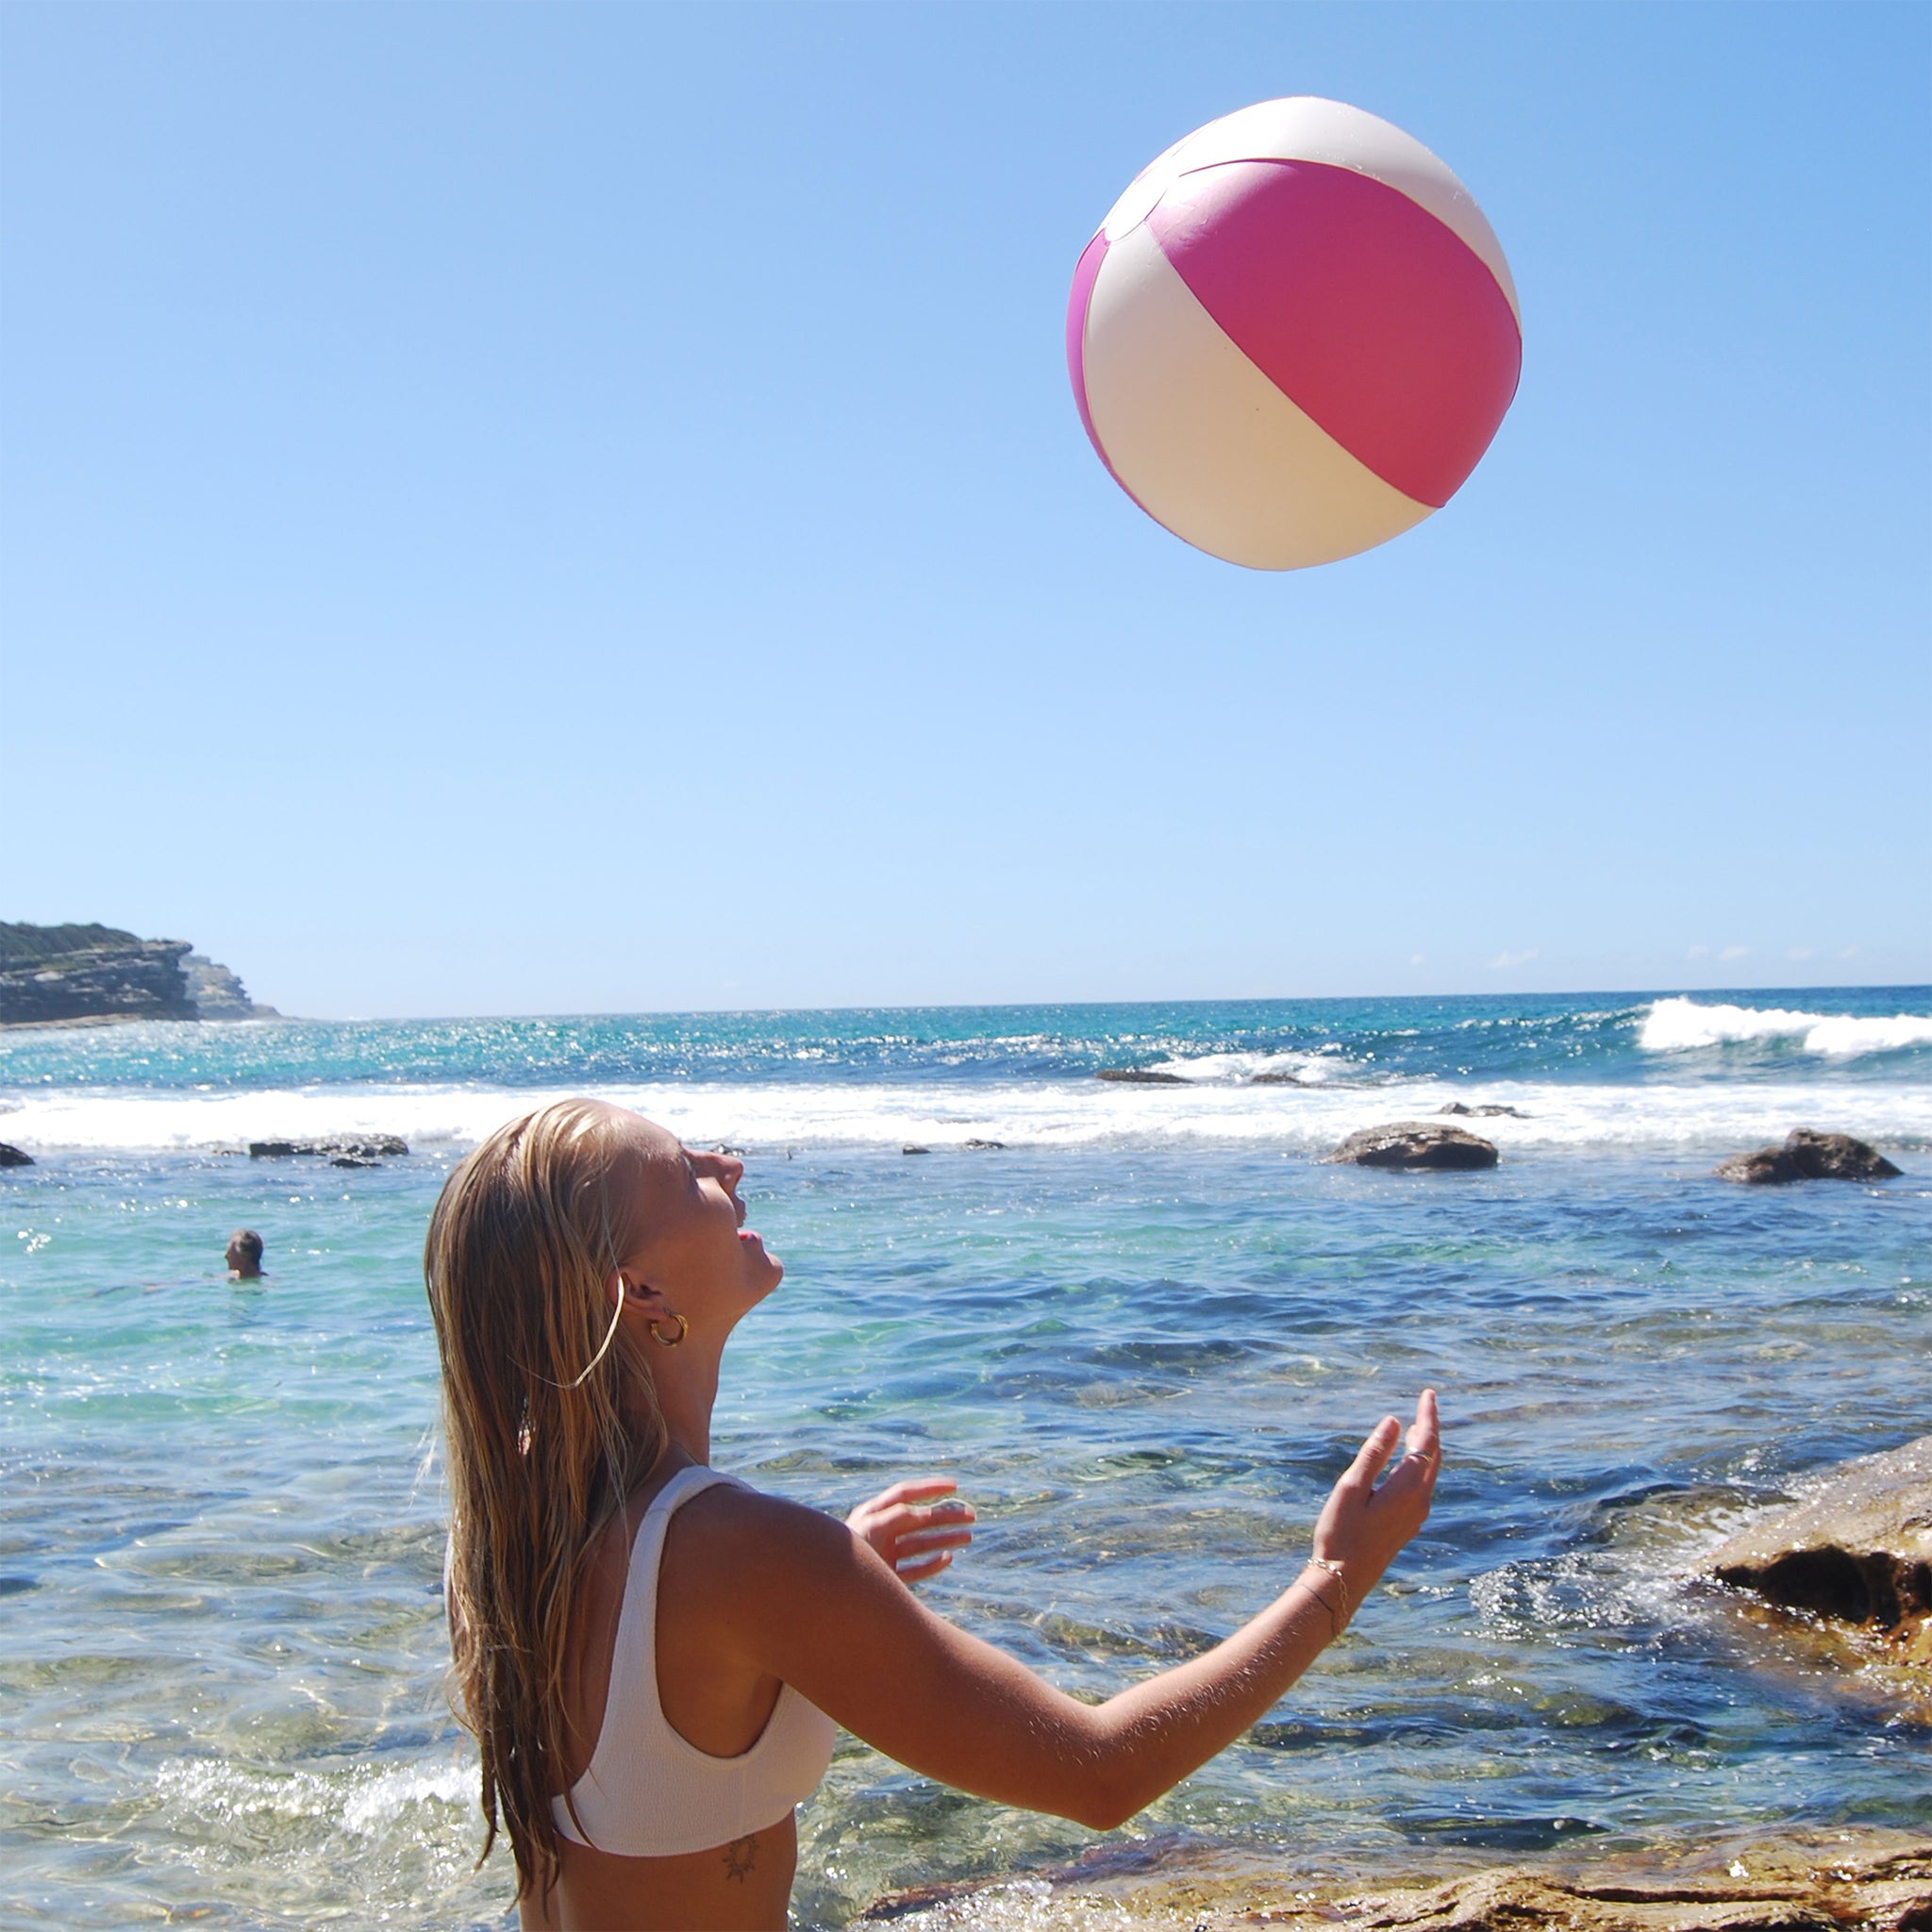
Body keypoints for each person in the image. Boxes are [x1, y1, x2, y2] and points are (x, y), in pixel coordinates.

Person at [425, 1099, 1440, 1932]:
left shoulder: (514, 1525)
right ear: (638, 1288)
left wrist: (823, 1590)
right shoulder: (742, 1553)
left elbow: (653, 1741)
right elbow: (1102, 1769)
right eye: (685, 1167)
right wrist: (1333, 1576)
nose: (728, 1160)